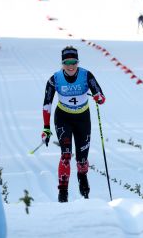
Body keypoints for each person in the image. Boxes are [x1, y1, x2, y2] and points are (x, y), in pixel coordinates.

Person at [41, 46, 105, 202]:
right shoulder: (54, 79)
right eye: (66, 62)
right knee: (66, 155)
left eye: (73, 62)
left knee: (82, 160)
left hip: (83, 118)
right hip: (63, 118)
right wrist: (46, 128)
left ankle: (82, 176)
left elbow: (101, 97)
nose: (70, 66)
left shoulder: (86, 75)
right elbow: (47, 104)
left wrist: (98, 98)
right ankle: (63, 192)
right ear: (62, 63)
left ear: (77, 62)